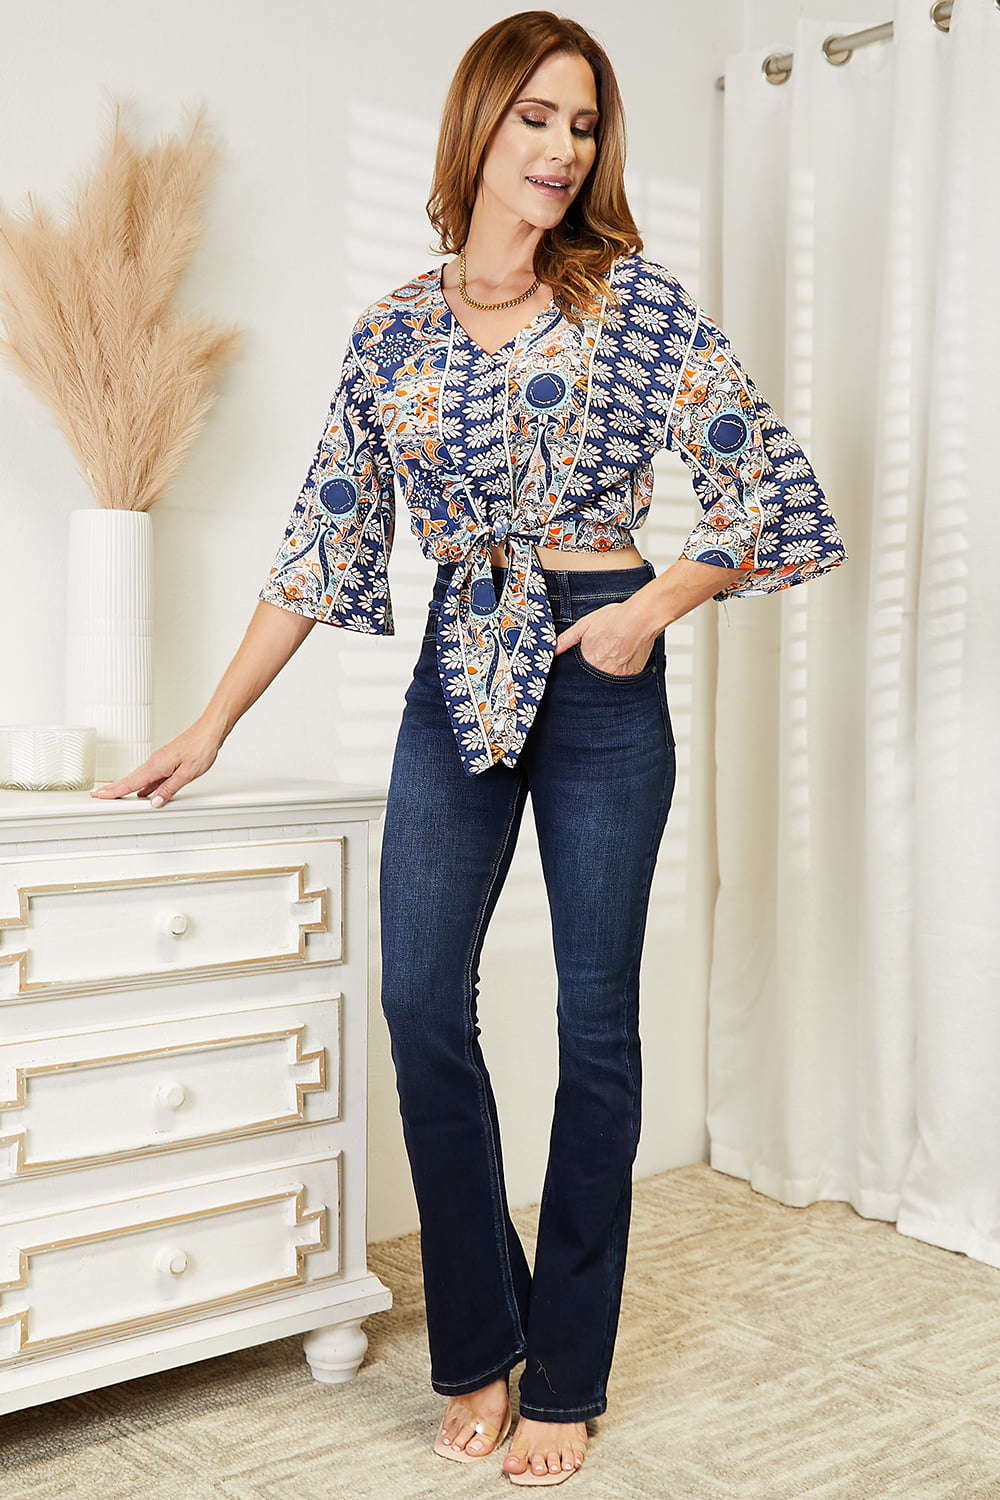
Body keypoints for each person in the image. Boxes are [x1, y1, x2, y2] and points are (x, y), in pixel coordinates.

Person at [94, 10, 846, 1485]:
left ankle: (565, 1373)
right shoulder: (392, 331)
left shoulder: (636, 306)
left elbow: (779, 497)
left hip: (601, 668)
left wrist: (657, 603)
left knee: (593, 1028)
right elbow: (321, 540)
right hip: (460, 667)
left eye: (583, 126)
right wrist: (207, 722)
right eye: (537, 121)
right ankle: (478, 1338)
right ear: (480, 126)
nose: (562, 151)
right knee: (423, 998)